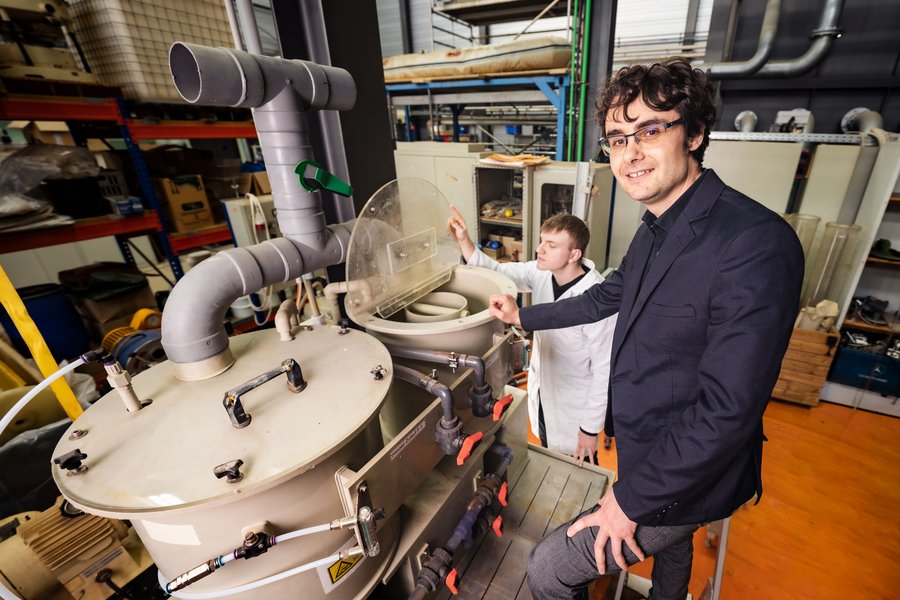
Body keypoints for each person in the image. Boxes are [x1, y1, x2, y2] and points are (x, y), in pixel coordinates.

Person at [488, 57, 804, 599]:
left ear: (695, 133)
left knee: (550, 568)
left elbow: (727, 409)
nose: (629, 152)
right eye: (617, 138)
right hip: (647, 444)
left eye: (650, 131)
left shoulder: (754, 242)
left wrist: (629, 502)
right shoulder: (657, 226)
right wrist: (524, 317)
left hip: (691, 467)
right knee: (673, 553)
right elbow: (606, 296)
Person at [448, 206, 616, 464]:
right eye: (541, 241)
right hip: (544, 392)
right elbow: (497, 271)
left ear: (574, 254)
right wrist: (464, 240)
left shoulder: (598, 300)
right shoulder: (542, 273)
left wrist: (590, 429)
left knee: (580, 469)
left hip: (575, 407)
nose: (540, 249)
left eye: (551, 245)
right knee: (550, 457)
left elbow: (604, 370)